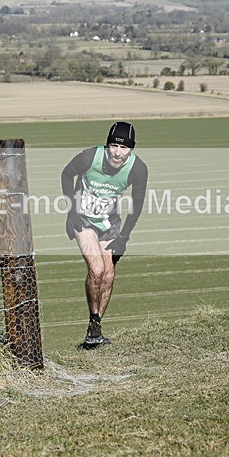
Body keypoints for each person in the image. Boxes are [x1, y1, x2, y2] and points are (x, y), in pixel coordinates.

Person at [61, 121, 148, 347]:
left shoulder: (138, 169)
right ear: (107, 145)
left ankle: (95, 330)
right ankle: (93, 323)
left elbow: (136, 207)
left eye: (124, 148)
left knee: (109, 275)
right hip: (84, 220)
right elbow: (66, 174)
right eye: (113, 146)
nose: (117, 153)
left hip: (110, 224)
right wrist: (71, 211)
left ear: (132, 149)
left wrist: (124, 238)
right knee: (97, 270)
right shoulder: (89, 157)